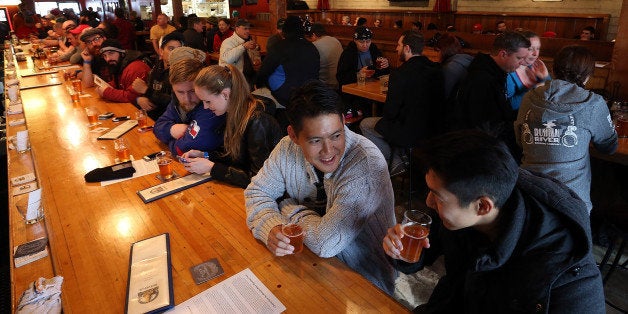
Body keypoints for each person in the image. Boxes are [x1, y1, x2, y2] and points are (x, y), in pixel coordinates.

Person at [383, 130, 606, 313]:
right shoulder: (461, 214)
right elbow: (424, 253)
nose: (429, 202)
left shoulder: (568, 273)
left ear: (482, 206)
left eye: (437, 196)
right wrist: (401, 249)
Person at [245, 80, 397, 295]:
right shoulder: (286, 148)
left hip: (363, 277)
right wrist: (270, 227)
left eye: (336, 135)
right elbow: (256, 192)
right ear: (294, 135)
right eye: (315, 140)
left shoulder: (366, 164)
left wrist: (287, 206)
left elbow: (326, 242)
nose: (328, 151)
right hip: (308, 261)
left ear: (344, 122)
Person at [514, 46, 618, 213]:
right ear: (587, 75)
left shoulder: (529, 98)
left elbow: (520, 141)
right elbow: (609, 147)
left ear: (554, 69)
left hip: (528, 192)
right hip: (571, 200)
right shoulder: (594, 103)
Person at [180, 64, 284, 188]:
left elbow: (259, 179)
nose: (205, 107)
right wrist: (205, 155)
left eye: (208, 101)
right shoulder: (235, 112)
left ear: (225, 94)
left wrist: (212, 168)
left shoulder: (257, 121)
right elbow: (235, 156)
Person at [360, 31, 444, 176]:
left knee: (365, 124)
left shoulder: (401, 74)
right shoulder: (437, 69)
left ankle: (395, 162)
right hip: (434, 129)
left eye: (399, 45)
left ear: (407, 48)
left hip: (409, 132)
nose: (396, 49)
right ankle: (400, 157)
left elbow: (390, 113)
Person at [451, 31, 530, 159]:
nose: (522, 63)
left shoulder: (496, 73)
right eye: (519, 58)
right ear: (503, 54)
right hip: (480, 152)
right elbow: (483, 125)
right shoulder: (481, 80)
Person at [154, 55, 225, 157]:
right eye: (180, 92)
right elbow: (158, 126)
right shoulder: (176, 100)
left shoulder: (210, 106)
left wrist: (170, 140)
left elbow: (184, 149)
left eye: (192, 91)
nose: (187, 99)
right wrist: (172, 129)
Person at [256, 16, 319, 108]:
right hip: (309, 93)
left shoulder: (279, 47)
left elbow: (264, 70)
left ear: (285, 31)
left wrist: (257, 84)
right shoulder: (312, 47)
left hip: (286, 95)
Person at [336, 26, 389, 116]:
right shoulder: (348, 53)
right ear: (355, 40)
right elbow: (340, 77)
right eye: (361, 42)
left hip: (372, 89)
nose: (365, 45)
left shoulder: (373, 50)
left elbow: (383, 73)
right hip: (354, 94)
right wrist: (359, 73)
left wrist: (385, 65)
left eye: (368, 41)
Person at [132, 32, 185, 120]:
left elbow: (177, 103)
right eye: (171, 49)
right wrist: (140, 99)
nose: (175, 53)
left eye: (179, 50)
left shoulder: (182, 73)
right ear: (161, 51)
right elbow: (147, 92)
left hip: (170, 121)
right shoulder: (156, 69)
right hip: (153, 118)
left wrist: (146, 91)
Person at [91, 39, 151, 104]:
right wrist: (104, 86)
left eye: (111, 53)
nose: (108, 59)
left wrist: (106, 92)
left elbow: (132, 97)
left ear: (122, 53)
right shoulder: (119, 64)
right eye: (104, 56)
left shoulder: (136, 68)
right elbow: (118, 84)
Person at [506, 30, 550, 111]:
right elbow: (511, 105)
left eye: (538, 48)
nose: (535, 54)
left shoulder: (536, 66)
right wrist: (536, 84)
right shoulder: (509, 72)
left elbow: (551, 92)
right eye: (530, 49)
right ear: (519, 49)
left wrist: (545, 78)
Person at [219, 19, 260, 88]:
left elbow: (255, 57)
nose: (248, 31)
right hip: (236, 79)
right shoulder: (228, 42)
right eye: (245, 29)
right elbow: (226, 59)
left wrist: (256, 58)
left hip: (250, 76)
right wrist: (243, 46)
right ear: (237, 29)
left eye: (249, 29)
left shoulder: (247, 40)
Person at [305, 23, 343, 90]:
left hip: (325, 85)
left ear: (313, 35)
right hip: (339, 82)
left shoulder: (314, 45)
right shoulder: (335, 40)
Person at [436, 33, 473, 99]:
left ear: (444, 50)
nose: (437, 55)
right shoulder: (465, 59)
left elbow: (444, 96)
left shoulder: (450, 68)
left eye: (438, 51)